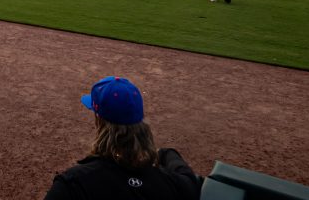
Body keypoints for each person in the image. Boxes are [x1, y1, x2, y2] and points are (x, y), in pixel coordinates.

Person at [44, 76, 201, 199]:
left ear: (99, 122)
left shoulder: (72, 184)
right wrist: (165, 153)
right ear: (140, 124)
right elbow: (188, 178)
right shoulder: (176, 186)